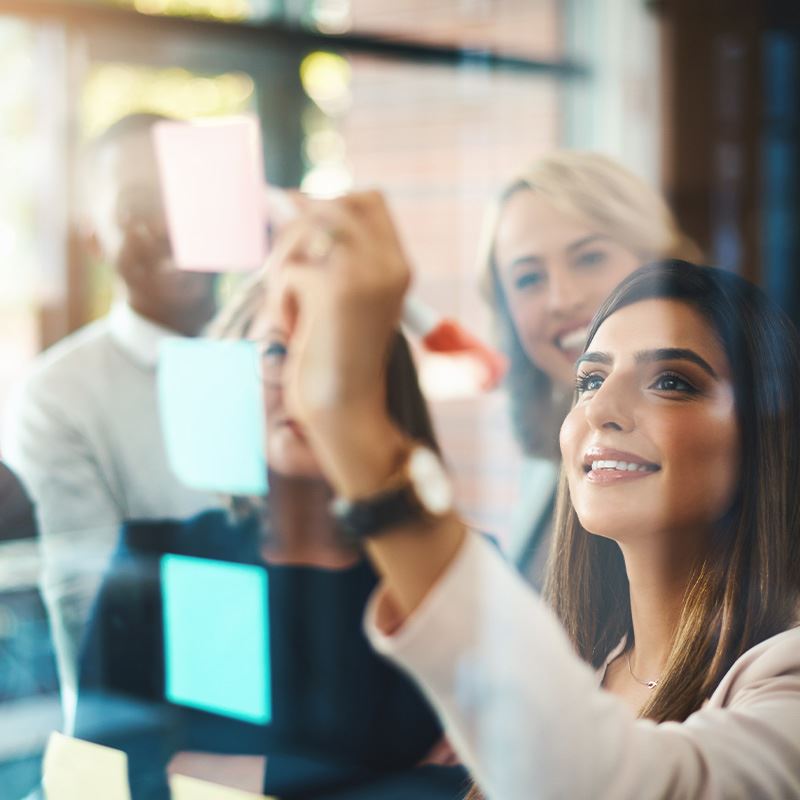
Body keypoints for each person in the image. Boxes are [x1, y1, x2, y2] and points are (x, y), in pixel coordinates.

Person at [269, 192, 800, 799]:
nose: (599, 408)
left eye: (671, 381)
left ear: (771, 438)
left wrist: (355, 427)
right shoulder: (585, 668)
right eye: (591, 379)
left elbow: (625, 784)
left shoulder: (786, 682)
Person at [73, 272, 468, 800]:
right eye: (278, 352)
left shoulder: (447, 571)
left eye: (337, 351)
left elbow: (474, 782)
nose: (305, 382)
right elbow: (107, 777)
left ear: (385, 382)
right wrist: (381, 780)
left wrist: (218, 775)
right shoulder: (159, 560)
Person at [2, 113, 220, 728]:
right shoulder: (56, 397)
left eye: (189, 195)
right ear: (95, 238)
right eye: (136, 208)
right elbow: (94, 623)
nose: (171, 223)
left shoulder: (284, 359)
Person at [479, 151, 701, 586]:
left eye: (589, 258)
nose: (562, 298)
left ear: (658, 261)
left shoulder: (715, 457)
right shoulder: (555, 456)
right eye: (529, 279)